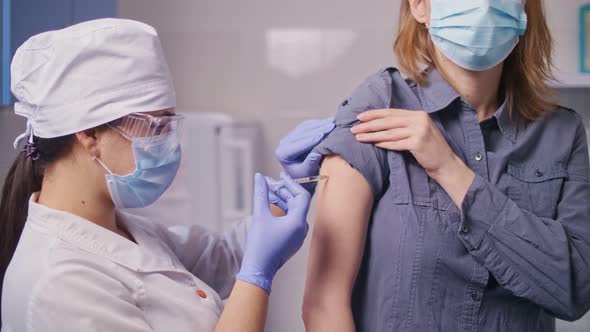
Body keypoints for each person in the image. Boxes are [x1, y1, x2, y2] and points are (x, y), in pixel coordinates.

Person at [0, 18, 334, 332]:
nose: (169, 145)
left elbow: (222, 258)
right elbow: (246, 265)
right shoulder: (58, 285)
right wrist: (258, 273)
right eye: (156, 125)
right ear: (89, 134)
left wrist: (289, 186)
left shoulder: (120, 229)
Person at [297, 0, 590, 331]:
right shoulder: (379, 106)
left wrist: (450, 170)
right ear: (420, 7)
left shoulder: (563, 133)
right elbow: (324, 304)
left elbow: (576, 289)